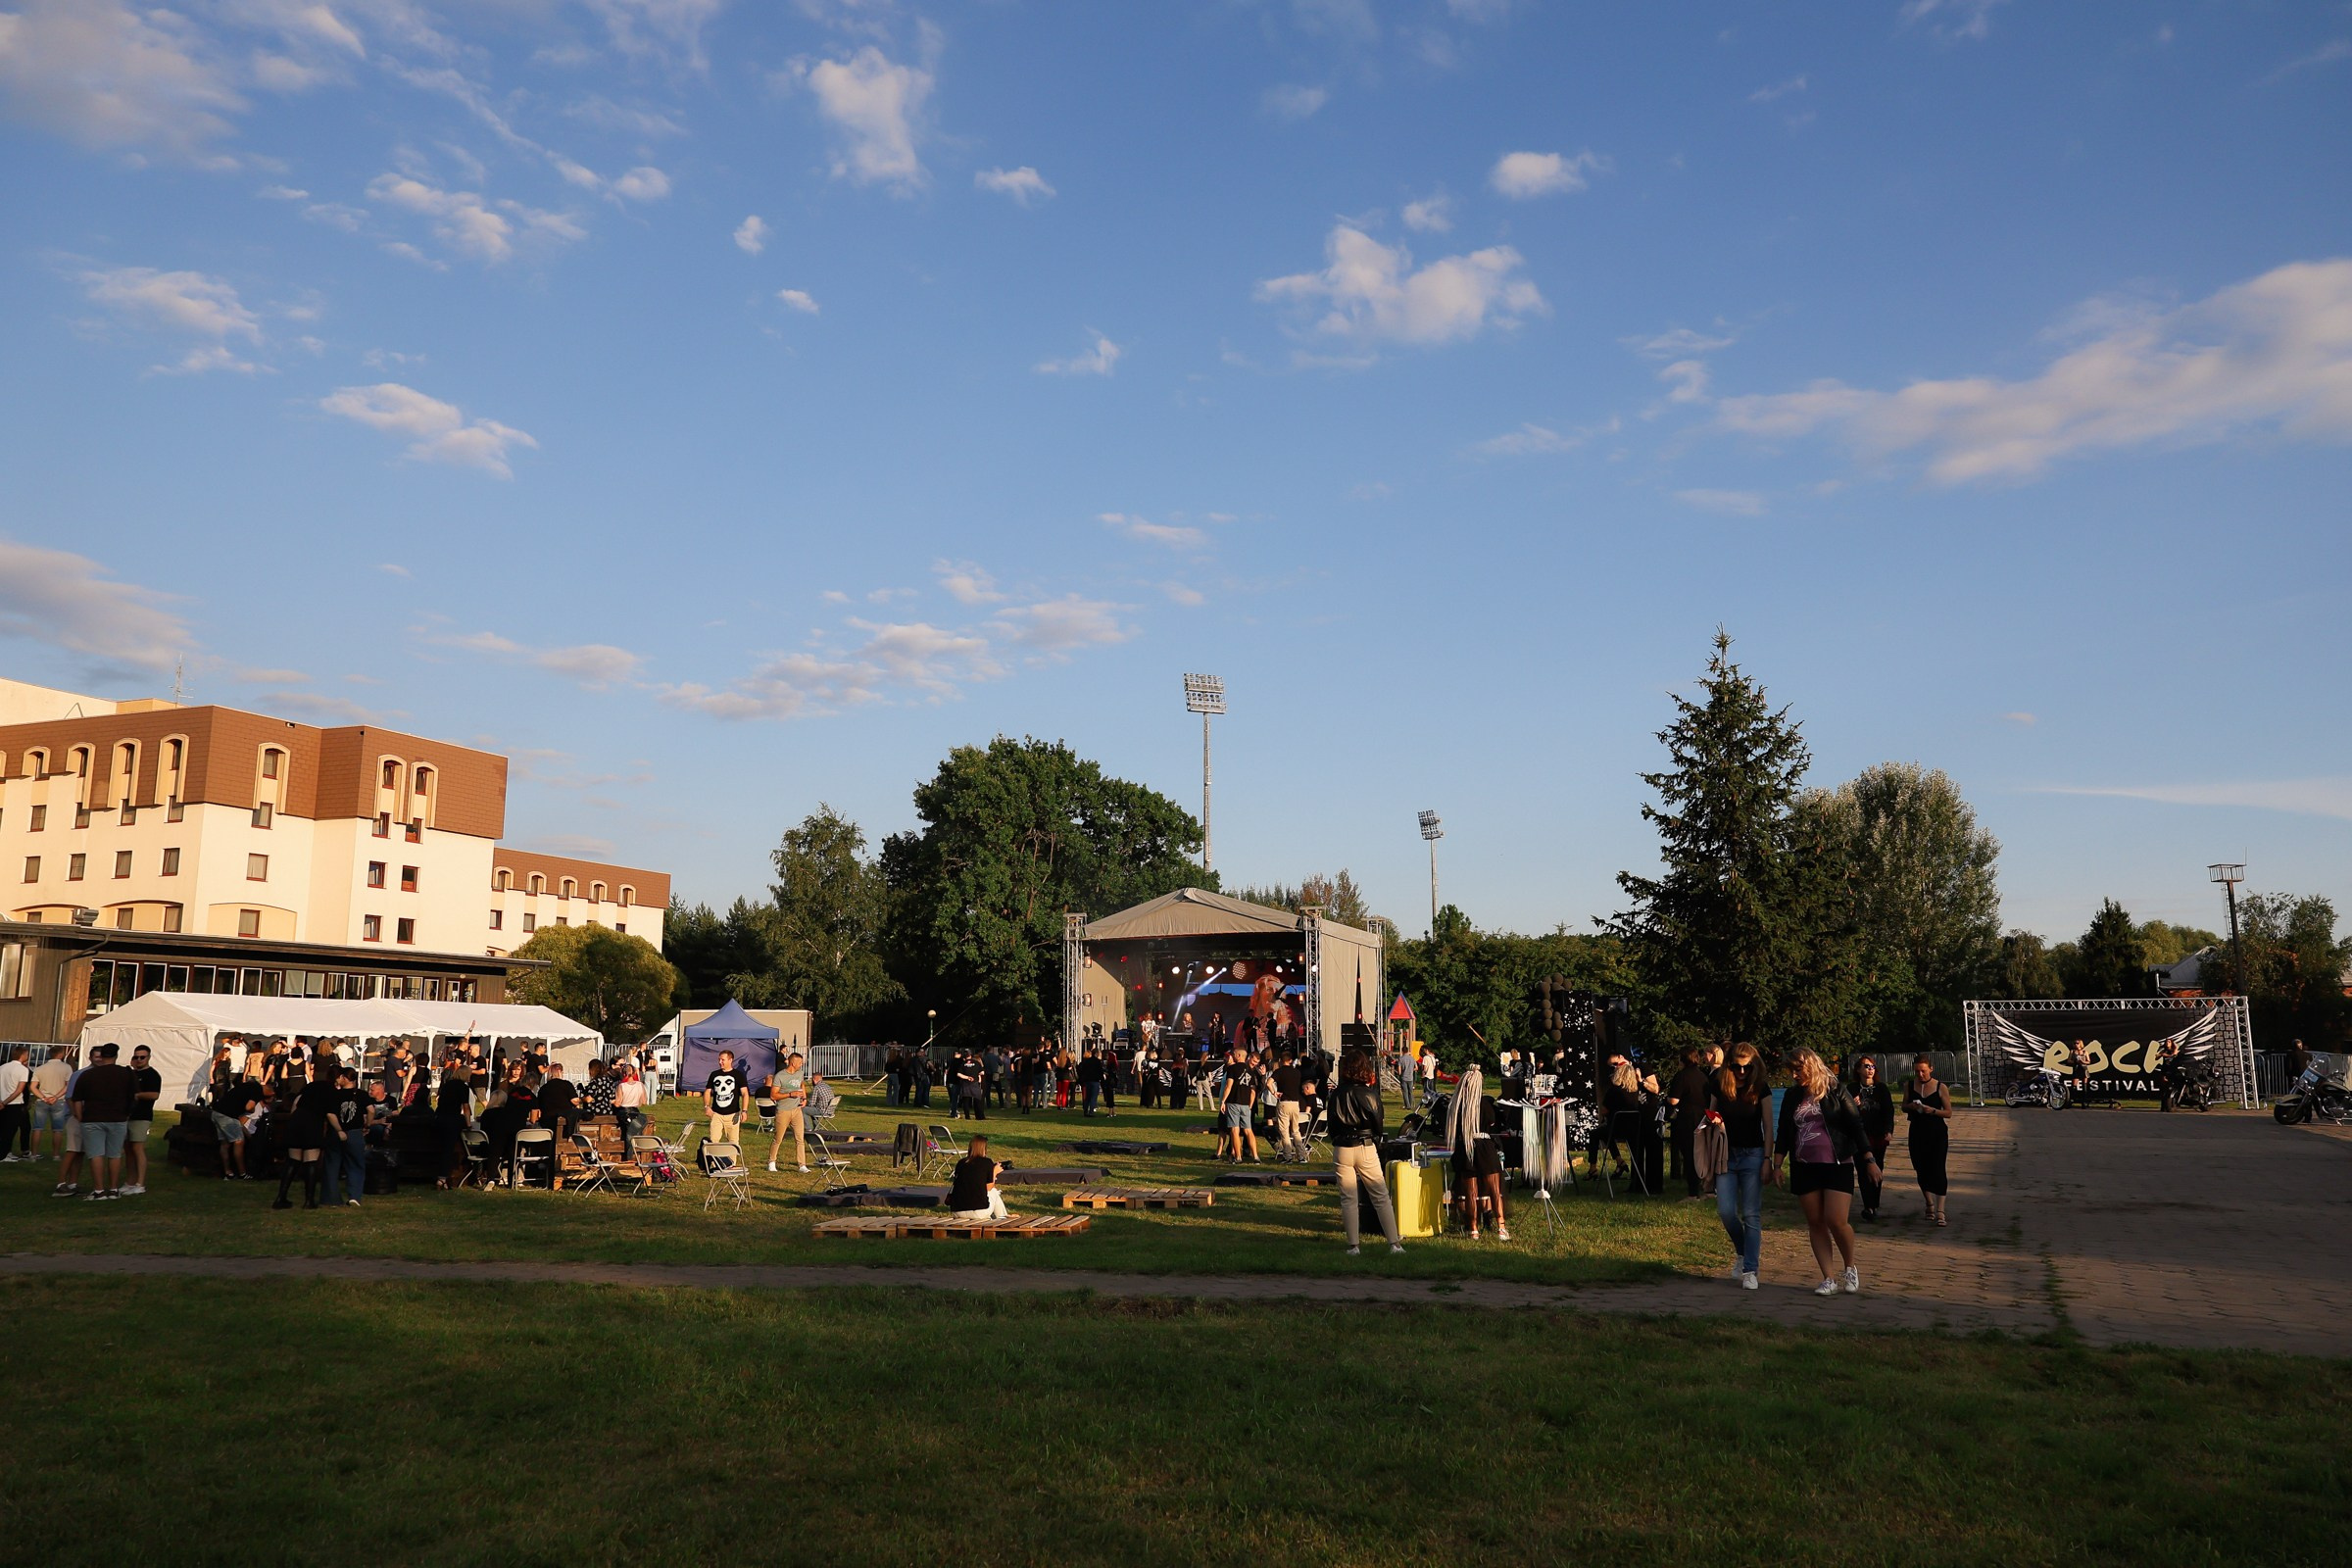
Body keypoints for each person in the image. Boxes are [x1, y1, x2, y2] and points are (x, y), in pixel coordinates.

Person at [1770, 1049, 1880, 1297]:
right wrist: (1777, 1165)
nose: (1794, 1075)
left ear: (1811, 1066)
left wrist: (1869, 1159)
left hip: (1837, 1163)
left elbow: (1855, 1125)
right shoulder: (1792, 1095)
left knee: (1836, 1220)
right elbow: (1784, 1132)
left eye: (1798, 1070)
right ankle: (1828, 1277)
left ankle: (1850, 1266)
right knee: (1816, 1222)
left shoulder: (1835, 1089)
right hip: (1804, 1164)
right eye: (1791, 1071)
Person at [1709, 1042, 1772, 1290]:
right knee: (1725, 1210)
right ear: (1729, 1065)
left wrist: (1768, 1159)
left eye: (1747, 1067)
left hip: (1753, 1154)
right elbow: (1710, 1115)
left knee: (1751, 1214)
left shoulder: (1761, 1088)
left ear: (1754, 1066)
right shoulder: (1719, 1085)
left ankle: (1750, 1270)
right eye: (1737, 1067)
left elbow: (1768, 1126)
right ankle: (1742, 1251)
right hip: (1726, 1154)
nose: (1742, 1072)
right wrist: (1712, 1125)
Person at [1329, 1053, 1403, 1255]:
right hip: (1366, 1145)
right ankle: (1394, 1244)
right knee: (1380, 1196)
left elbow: (1332, 1126)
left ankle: (1354, 1245)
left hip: (1342, 1147)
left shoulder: (1336, 1094)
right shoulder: (1370, 1094)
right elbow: (1378, 1125)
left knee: (1348, 1198)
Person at [1444, 1064, 1508, 1241]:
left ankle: (1473, 1229)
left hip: (1465, 1147)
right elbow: (1493, 1123)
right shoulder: (1485, 1104)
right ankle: (1501, 1227)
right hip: (1485, 1147)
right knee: (1494, 1189)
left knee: (1470, 1191)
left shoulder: (1456, 1106)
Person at [71, 1044, 138, 1201]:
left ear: (101, 1056)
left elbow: (77, 1099)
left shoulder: (88, 1075)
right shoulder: (126, 1074)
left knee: (96, 1154)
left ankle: (99, 1190)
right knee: (114, 1155)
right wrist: (127, 1114)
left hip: (93, 1117)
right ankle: (113, 1189)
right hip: (117, 1118)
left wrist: (80, 1117)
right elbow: (134, 1097)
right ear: (116, 1056)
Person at [274, 1060, 339, 1210]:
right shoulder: (331, 1091)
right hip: (312, 1123)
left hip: (297, 1120)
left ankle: (280, 1197)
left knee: (293, 1160)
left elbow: (296, 1103)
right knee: (310, 1161)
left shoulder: (311, 1086)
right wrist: (340, 1130)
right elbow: (330, 1113)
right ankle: (309, 1200)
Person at [1905, 1055, 1954, 1227]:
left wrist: (1932, 1110)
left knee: (1938, 1168)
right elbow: (1903, 1106)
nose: (1920, 1074)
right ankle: (1929, 1204)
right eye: (1917, 1071)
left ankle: (1941, 1210)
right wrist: (1910, 1106)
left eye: (1923, 1071)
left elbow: (1948, 1112)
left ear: (1931, 1069)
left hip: (1937, 1132)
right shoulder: (1910, 1086)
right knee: (1921, 1168)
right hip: (1917, 1132)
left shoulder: (1941, 1087)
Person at [1850, 1056, 1896, 1221]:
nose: (1870, 1069)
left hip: (1878, 1135)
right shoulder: (1852, 1088)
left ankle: (1874, 1204)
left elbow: (1889, 1111)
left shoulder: (1881, 1088)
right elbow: (1844, 1113)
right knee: (1863, 1170)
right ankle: (1868, 1206)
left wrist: (1889, 1130)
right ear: (1858, 1069)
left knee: (1877, 1169)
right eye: (1866, 1066)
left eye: (1873, 1066)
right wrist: (1852, 1106)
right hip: (1859, 1136)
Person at [320, 1065, 368, 1208]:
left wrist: (339, 1129)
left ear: (344, 1078)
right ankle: (354, 1196)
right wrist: (368, 1124)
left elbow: (330, 1113)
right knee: (355, 1165)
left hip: (336, 1132)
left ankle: (331, 1197)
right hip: (355, 1131)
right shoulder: (362, 1094)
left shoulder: (335, 1094)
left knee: (332, 1164)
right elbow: (370, 1110)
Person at [1668, 1046, 1710, 1199]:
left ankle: (1693, 1192)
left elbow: (1674, 1100)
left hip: (1687, 1119)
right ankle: (1706, 1186)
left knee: (1689, 1154)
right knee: (1701, 1153)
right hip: (1703, 1118)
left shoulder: (1681, 1076)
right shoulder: (1703, 1076)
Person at [122, 1045, 161, 1195]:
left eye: (142, 1057)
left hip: (142, 1116)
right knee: (128, 1149)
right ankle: (130, 1181)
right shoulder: (130, 1074)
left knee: (138, 1148)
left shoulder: (152, 1075)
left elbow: (154, 1095)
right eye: (136, 1057)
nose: (139, 1060)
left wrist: (137, 1095)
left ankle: (140, 1183)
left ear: (148, 1058)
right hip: (127, 1115)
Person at [213, 1065, 262, 1181]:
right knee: (239, 1141)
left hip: (216, 1112)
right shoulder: (257, 1091)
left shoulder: (244, 1087)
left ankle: (228, 1172)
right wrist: (253, 1109)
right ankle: (242, 1173)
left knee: (225, 1143)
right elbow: (249, 1107)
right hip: (228, 1116)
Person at [947, 1135, 1009, 1222]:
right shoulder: (987, 1162)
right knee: (994, 1192)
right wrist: (994, 1172)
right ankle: (1003, 1219)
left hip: (957, 1211)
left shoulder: (961, 1163)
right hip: (979, 1211)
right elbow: (989, 1187)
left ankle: (999, 1218)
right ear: (984, 1149)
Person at [767, 1052, 810, 1172]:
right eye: (800, 1062)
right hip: (783, 1111)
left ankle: (802, 1164)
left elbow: (802, 1085)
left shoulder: (800, 1073)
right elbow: (773, 1096)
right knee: (778, 1138)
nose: (802, 1064)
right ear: (793, 1063)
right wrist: (790, 1094)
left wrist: (804, 1098)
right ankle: (772, 1162)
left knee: (800, 1138)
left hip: (796, 1110)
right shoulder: (780, 1076)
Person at [30, 1046, 74, 1164]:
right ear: (61, 1054)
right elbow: (68, 1085)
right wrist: (55, 1097)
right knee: (58, 1129)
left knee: (38, 1128)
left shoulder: (40, 1068)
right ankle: (56, 1155)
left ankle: (33, 1154)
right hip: (58, 1100)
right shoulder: (66, 1067)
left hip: (42, 1100)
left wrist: (43, 1097)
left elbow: (33, 1087)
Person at [1216, 1050, 1260, 1162]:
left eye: (1234, 1054)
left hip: (1233, 1102)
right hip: (1245, 1104)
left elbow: (1228, 1086)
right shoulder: (1250, 1071)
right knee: (1248, 1130)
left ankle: (1238, 1157)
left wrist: (1223, 1101)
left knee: (1235, 1131)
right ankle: (1256, 1157)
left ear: (1239, 1055)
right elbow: (1253, 1091)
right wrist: (1250, 1105)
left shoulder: (1232, 1069)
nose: (1233, 1056)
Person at [703, 1050, 748, 1147]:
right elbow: (707, 1091)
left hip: (733, 1115)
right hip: (716, 1114)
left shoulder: (739, 1075)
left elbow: (745, 1093)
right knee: (713, 1141)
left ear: (730, 1060)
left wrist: (744, 1111)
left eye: (723, 1060)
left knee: (733, 1143)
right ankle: (713, 1161)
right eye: (719, 1060)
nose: (720, 1062)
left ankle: (732, 1162)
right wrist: (707, 1106)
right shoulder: (714, 1074)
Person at [1271, 1053, 1307, 1160]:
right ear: (1291, 1060)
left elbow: (1269, 1082)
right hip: (1295, 1103)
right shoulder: (1297, 1072)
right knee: (1296, 1131)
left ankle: (1287, 1156)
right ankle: (1302, 1156)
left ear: (1281, 1061)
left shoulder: (1279, 1072)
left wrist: (1274, 1092)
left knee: (1284, 1131)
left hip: (1284, 1103)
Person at [0, 1043, 30, 1162]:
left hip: (2, 1101)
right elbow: (19, 1090)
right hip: (13, 1103)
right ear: (22, 1056)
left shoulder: (2, 1067)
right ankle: (4, 1154)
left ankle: (5, 1152)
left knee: (2, 1129)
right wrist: (5, 1102)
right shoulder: (22, 1070)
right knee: (10, 1130)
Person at [1076, 1047, 1107, 1117]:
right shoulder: (1098, 1062)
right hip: (1095, 1081)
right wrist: (1102, 1080)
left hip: (1087, 1080)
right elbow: (1100, 1071)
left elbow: (1083, 1070)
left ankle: (1085, 1110)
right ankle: (1091, 1111)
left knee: (1087, 1097)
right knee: (1093, 1097)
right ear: (1096, 1054)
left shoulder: (1086, 1061)